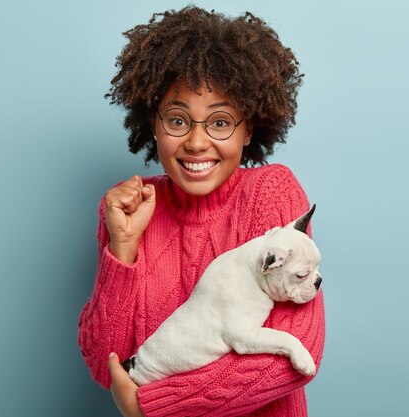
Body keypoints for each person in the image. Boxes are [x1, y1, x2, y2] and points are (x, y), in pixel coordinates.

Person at [78, 6, 325, 417]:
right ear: (152, 124)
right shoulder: (132, 210)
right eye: (177, 120)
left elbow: (295, 354)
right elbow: (109, 366)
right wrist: (121, 247)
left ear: (249, 129)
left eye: (221, 122)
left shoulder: (271, 192)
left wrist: (152, 407)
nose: (196, 142)